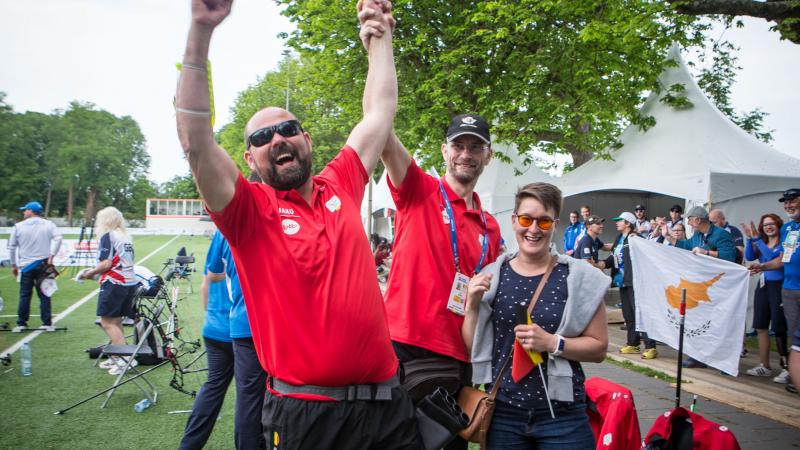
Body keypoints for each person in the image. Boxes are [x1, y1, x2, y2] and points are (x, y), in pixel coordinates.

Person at [175, 1, 419, 448]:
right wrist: (201, 28)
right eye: (262, 138)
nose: (278, 139)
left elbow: (379, 114)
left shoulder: (340, 183)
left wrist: (380, 35)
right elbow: (195, 140)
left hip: (388, 406)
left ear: (306, 139)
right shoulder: (249, 212)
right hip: (307, 414)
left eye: (287, 129)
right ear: (249, 159)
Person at [377, 111, 503, 450]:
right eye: (458, 145)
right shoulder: (420, 189)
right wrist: (380, 58)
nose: (466, 154)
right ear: (444, 151)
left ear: (487, 156)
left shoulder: (490, 226)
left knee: (445, 446)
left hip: (457, 355)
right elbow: (383, 135)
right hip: (405, 345)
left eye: (475, 147)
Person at [462, 182, 609, 449]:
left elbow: (599, 348)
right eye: (526, 219)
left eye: (543, 222)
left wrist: (553, 343)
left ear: (555, 224)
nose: (533, 229)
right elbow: (473, 347)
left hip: (562, 415)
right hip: (503, 414)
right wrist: (472, 305)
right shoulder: (492, 275)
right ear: (514, 220)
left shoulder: (579, 277)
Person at [179, 231, 235, 449]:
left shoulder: (220, 238)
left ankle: (188, 446)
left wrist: (211, 317)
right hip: (241, 331)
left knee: (213, 387)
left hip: (214, 329)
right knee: (251, 396)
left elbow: (205, 285)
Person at [77, 207, 138, 375]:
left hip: (115, 283)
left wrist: (88, 273)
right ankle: (118, 355)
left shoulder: (108, 236)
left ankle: (126, 359)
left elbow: (106, 264)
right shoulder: (125, 236)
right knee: (116, 322)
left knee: (107, 322)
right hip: (128, 283)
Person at [750, 188, 800, 389]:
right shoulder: (788, 229)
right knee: (794, 333)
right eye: (785, 202)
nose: (788, 205)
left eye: (793, 201)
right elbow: (781, 259)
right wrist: (762, 266)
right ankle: (795, 376)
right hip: (788, 289)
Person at [741, 214, 789, 379]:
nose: (768, 227)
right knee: (760, 326)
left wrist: (757, 240)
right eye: (765, 224)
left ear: (778, 225)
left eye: (772, 224)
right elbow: (749, 256)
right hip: (763, 286)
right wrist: (749, 239)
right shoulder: (762, 241)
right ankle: (764, 365)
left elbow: (773, 259)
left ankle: (787, 367)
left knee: (779, 327)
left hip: (779, 286)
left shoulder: (784, 242)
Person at [605, 212, 657, 359]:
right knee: (628, 314)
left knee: (640, 312)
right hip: (623, 282)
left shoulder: (636, 238)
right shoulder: (618, 238)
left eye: (619, 220)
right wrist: (603, 263)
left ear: (628, 223)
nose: (616, 223)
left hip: (635, 282)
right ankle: (633, 343)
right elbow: (614, 256)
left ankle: (650, 345)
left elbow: (648, 255)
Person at [8, 201, 62, 332]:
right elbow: (58, 238)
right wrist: (51, 256)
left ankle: (21, 323)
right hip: (43, 264)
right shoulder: (48, 224)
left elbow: (11, 247)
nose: (24, 212)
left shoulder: (18, 226)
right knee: (45, 293)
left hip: (25, 266)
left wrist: (14, 265)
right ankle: (47, 323)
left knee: (25, 295)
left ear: (31, 211)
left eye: (25, 210)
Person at [660, 206, 736, 262]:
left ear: (698, 220)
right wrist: (667, 236)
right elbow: (686, 245)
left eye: (689, 220)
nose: (688, 223)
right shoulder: (698, 234)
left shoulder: (721, 234)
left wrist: (706, 252)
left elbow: (729, 256)